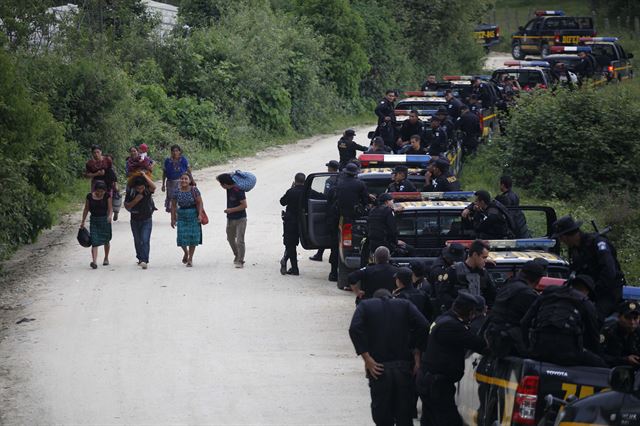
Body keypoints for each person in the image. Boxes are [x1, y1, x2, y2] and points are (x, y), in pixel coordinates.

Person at [349, 288, 429, 426]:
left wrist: (367, 358)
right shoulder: (405, 305)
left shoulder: (365, 306)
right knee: (404, 413)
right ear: (391, 296)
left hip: (378, 368)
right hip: (404, 367)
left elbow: (354, 329)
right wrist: (416, 352)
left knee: (382, 414)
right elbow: (424, 325)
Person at [417, 293, 486, 426]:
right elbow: (479, 344)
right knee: (449, 421)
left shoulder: (443, 318)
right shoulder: (452, 326)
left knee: (430, 420)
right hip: (437, 384)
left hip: (429, 380)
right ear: (470, 312)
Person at [521, 275, 607, 367]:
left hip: (539, 350)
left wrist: (528, 348)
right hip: (568, 354)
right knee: (601, 365)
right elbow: (593, 336)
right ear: (587, 291)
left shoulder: (547, 295)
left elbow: (524, 322)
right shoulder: (585, 302)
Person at [551, 216, 625, 318]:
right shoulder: (575, 249)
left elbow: (609, 272)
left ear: (567, 236)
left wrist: (592, 292)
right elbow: (574, 271)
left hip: (608, 292)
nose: (561, 241)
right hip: (587, 292)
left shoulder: (597, 243)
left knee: (593, 317)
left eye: (561, 237)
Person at [483, 261, 544, 357]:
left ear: (521, 272)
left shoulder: (508, 285)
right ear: (538, 280)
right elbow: (536, 319)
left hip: (494, 337)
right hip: (509, 344)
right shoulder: (527, 294)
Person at [436, 239, 496, 313]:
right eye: (483, 257)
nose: (485, 260)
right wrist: (457, 307)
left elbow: (491, 295)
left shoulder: (483, 273)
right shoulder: (453, 271)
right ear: (475, 255)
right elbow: (442, 294)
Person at [171, 173, 204, 267]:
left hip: (193, 214)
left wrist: (200, 215)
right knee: (181, 237)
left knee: (193, 237)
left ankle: (190, 259)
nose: (183, 181)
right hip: (181, 215)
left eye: (186, 179)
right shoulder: (176, 191)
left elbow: (200, 203)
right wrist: (173, 218)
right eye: (182, 179)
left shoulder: (194, 190)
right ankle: (186, 252)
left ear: (189, 181)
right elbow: (173, 205)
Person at [124, 173, 156, 269]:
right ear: (134, 187)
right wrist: (135, 201)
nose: (140, 190)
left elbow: (154, 187)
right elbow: (126, 206)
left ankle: (144, 260)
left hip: (147, 219)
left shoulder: (146, 191)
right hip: (135, 220)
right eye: (138, 188)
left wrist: (143, 175)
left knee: (145, 240)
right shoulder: (131, 193)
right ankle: (140, 257)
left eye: (142, 188)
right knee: (138, 240)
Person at [310, 160, 339, 263]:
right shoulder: (340, 179)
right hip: (338, 212)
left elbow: (326, 197)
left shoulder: (330, 180)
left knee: (327, 232)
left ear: (331, 168)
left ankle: (321, 254)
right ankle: (321, 254)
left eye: (328, 167)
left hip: (330, 211)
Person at [217, 173, 248, 268]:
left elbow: (244, 205)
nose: (221, 186)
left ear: (225, 184)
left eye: (221, 184)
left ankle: (240, 260)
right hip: (230, 219)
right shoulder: (228, 189)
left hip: (241, 218)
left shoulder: (238, 190)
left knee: (240, 240)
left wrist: (231, 210)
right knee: (230, 238)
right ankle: (237, 254)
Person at [80, 180, 113, 269]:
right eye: (98, 191)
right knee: (94, 240)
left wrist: (110, 216)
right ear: (95, 190)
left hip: (105, 220)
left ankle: (106, 258)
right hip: (94, 220)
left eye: (102, 191)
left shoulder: (107, 196)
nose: (100, 193)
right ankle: (94, 261)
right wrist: (83, 221)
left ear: (105, 191)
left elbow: (110, 209)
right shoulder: (89, 196)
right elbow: (86, 209)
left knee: (106, 239)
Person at [279, 173, 305, 276]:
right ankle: (287, 261)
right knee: (291, 244)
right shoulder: (307, 192)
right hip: (304, 223)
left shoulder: (291, 192)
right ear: (304, 181)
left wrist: (291, 188)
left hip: (291, 222)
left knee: (290, 244)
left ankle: (294, 267)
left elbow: (282, 202)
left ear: (295, 180)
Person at [601, 301, 640, 367]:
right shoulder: (608, 331)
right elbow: (599, 355)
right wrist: (624, 360)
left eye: (635, 318)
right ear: (619, 317)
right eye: (628, 318)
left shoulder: (638, 332)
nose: (632, 322)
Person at [162, 144, 191, 213]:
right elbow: (164, 173)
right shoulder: (167, 161)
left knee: (179, 197)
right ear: (171, 152)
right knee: (172, 199)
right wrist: (163, 184)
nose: (175, 152)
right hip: (170, 183)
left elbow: (188, 170)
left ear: (179, 151)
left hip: (181, 182)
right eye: (173, 151)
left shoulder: (183, 160)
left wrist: (191, 180)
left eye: (176, 151)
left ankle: (178, 214)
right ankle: (173, 215)